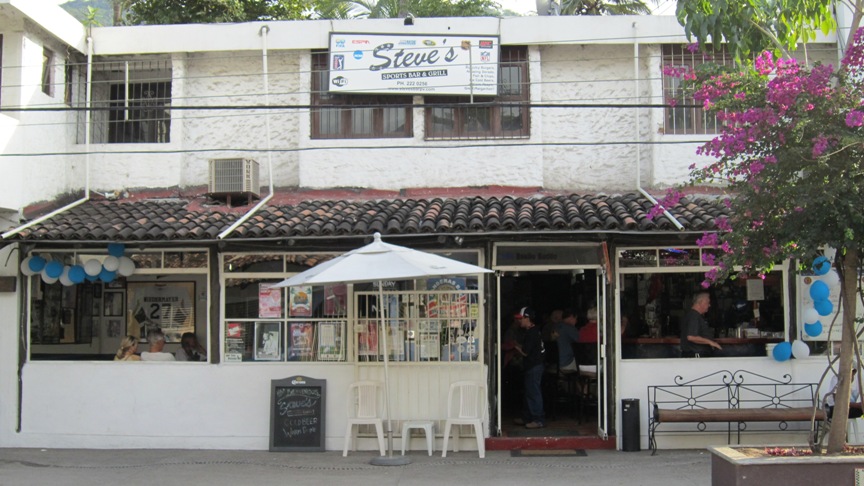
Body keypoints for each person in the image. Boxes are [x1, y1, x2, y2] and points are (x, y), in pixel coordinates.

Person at [513, 306, 546, 429]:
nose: (519, 321)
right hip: (534, 366)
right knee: (529, 392)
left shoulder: (532, 333)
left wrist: (515, 346)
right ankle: (527, 417)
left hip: (534, 366)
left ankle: (538, 419)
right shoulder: (534, 331)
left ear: (528, 318)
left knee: (533, 393)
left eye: (521, 318)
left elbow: (525, 352)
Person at [680, 292, 722, 358]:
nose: (709, 305)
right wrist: (710, 342)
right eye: (708, 302)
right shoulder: (694, 316)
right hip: (696, 355)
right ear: (701, 302)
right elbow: (691, 337)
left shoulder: (692, 315)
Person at [555, 308, 581, 373]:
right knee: (586, 363)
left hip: (555, 363)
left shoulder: (556, 327)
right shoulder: (570, 328)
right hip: (566, 363)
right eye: (576, 318)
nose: (576, 321)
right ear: (571, 316)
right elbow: (581, 342)